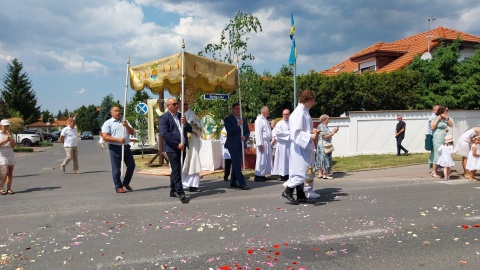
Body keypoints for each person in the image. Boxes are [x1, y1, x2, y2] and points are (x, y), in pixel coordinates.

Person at [281, 90, 319, 204]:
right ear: (307, 100)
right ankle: (287, 191)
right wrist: (310, 135)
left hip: (304, 145)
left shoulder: (305, 111)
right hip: (299, 146)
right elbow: (296, 133)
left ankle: (301, 195)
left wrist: (312, 131)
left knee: (304, 170)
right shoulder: (299, 113)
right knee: (300, 171)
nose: (313, 104)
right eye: (312, 101)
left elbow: (303, 129)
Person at [159, 98, 193, 202]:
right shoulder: (164, 118)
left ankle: (173, 189)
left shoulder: (180, 116)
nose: (176, 105)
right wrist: (176, 144)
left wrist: (185, 123)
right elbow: (165, 134)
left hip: (182, 146)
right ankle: (180, 192)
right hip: (172, 148)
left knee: (177, 169)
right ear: (168, 106)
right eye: (174, 104)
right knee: (176, 168)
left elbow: (190, 129)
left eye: (177, 103)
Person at [101, 106, 136, 193]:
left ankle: (126, 182)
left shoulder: (125, 121)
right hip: (115, 147)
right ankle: (118, 186)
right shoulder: (108, 123)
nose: (118, 113)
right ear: (111, 113)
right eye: (115, 111)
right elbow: (105, 137)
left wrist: (126, 125)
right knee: (116, 169)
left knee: (131, 166)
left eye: (119, 111)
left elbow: (132, 132)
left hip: (126, 147)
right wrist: (118, 140)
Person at [224, 103, 251, 190]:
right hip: (232, 145)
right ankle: (242, 183)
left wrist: (245, 137)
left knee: (237, 163)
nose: (238, 110)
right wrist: (237, 125)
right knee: (237, 163)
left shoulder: (243, 120)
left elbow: (247, 131)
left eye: (239, 109)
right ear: (232, 109)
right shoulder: (228, 119)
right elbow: (229, 131)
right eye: (236, 108)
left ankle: (233, 182)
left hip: (241, 144)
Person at [181, 102, 202, 192]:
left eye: (186, 104)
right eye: (182, 104)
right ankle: (181, 184)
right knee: (181, 163)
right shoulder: (177, 114)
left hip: (191, 142)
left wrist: (190, 126)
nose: (184, 106)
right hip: (180, 141)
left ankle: (193, 185)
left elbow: (198, 127)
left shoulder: (192, 114)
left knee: (193, 162)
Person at [429, 105, 453, 178]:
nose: (447, 112)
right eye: (446, 110)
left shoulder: (445, 118)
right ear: (442, 110)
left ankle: (437, 170)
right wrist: (438, 119)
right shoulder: (434, 117)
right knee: (437, 153)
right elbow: (432, 127)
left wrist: (447, 118)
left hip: (444, 137)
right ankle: (433, 171)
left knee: (442, 153)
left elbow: (451, 125)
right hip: (437, 137)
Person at [316, 114, 339, 180]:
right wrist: (333, 132)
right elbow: (326, 136)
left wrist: (334, 131)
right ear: (324, 120)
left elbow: (328, 134)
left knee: (321, 158)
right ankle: (325, 174)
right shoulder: (321, 126)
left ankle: (321, 173)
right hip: (324, 144)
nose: (328, 121)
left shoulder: (323, 126)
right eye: (327, 119)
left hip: (322, 144)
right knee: (325, 158)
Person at [254, 106, 273, 182]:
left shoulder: (265, 120)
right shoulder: (259, 120)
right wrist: (260, 144)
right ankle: (258, 175)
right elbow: (258, 133)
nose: (268, 112)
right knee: (261, 159)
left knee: (265, 159)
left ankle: (262, 174)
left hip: (266, 142)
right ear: (264, 112)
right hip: (262, 142)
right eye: (268, 111)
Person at [272, 109, 291, 181]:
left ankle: (289, 174)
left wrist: (286, 133)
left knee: (289, 160)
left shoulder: (292, 123)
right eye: (284, 114)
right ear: (282, 115)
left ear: (289, 114)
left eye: (287, 114)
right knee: (282, 160)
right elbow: (279, 133)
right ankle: (282, 175)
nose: (286, 116)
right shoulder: (279, 123)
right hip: (282, 145)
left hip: (289, 145)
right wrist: (288, 133)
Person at [0, 119, 16, 195]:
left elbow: (13, 146)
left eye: (7, 126)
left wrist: (10, 139)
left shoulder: (10, 134)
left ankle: (9, 188)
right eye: (5, 126)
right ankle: (1, 187)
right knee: (4, 171)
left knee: (10, 172)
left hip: (10, 154)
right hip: (2, 154)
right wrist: (5, 140)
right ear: (1, 126)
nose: (6, 127)